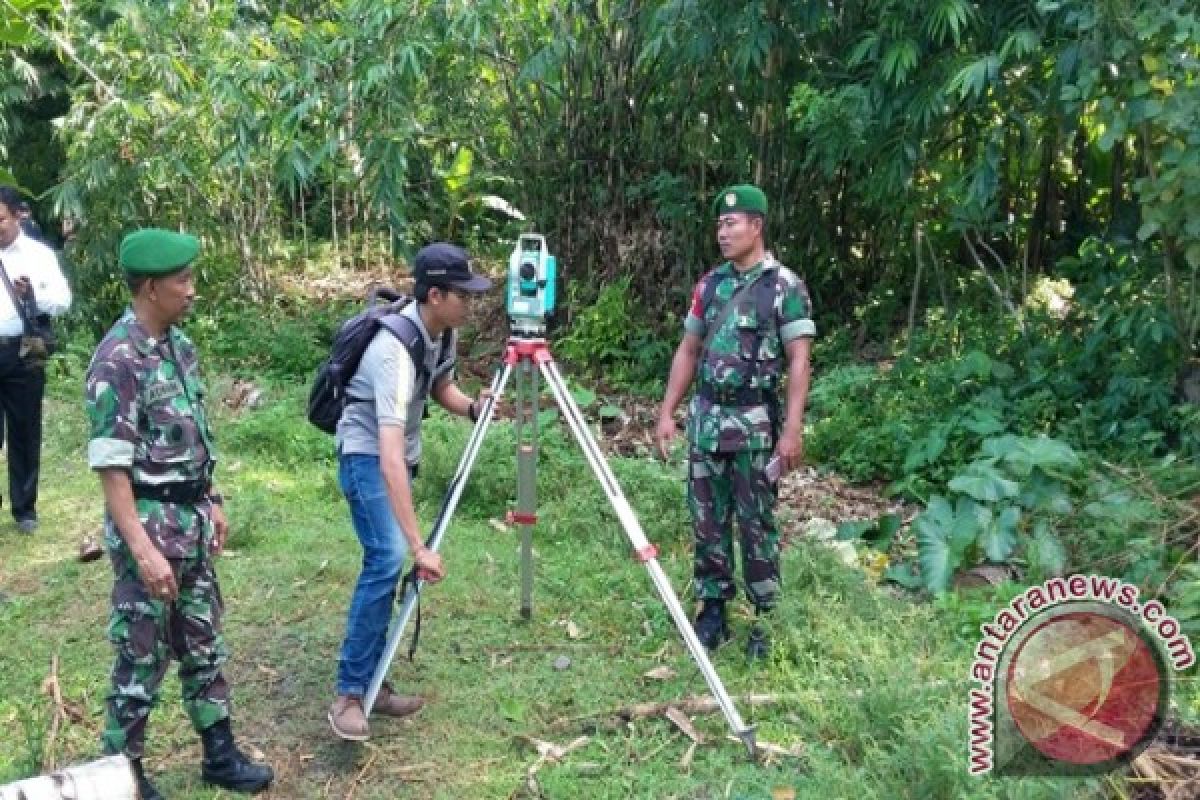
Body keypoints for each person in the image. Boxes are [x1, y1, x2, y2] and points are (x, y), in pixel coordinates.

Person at [84, 228, 273, 799]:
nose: (192, 290)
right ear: (148, 287)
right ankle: (124, 773)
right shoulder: (117, 360)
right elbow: (113, 471)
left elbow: (194, 438)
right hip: (151, 528)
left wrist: (212, 500)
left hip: (190, 524)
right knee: (142, 653)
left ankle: (219, 753)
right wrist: (142, 550)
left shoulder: (178, 347)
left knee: (203, 642)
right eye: (181, 280)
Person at [328, 241, 492, 741]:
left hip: (395, 456)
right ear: (435, 295)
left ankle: (375, 681)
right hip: (367, 457)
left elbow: (440, 385)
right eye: (463, 294)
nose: (472, 303)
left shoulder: (441, 333)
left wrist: (470, 408)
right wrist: (421, 545)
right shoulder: (393, 352)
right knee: (389, 556)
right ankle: (350, 695)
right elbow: (389, 453)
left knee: (387, 559)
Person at [655, 184, 815, 660]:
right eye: (719, 225)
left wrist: (791, 431)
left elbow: (799, 361)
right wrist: (667, 411)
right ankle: (713, 610)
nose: (722, 232)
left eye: (732, 223)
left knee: (756, 524)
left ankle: (765, 617)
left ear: (757, 226)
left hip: (754, 429)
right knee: (707, 521)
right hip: (706, 423)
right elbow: (688, 349)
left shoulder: (784, 286)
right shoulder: (710, 285)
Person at [0, 186, 72, 533]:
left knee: (25, 427)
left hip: (27, 347)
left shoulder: (39, 254)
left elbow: (62, 300)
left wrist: (34, 295)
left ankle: (24, 509)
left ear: (17, 215)